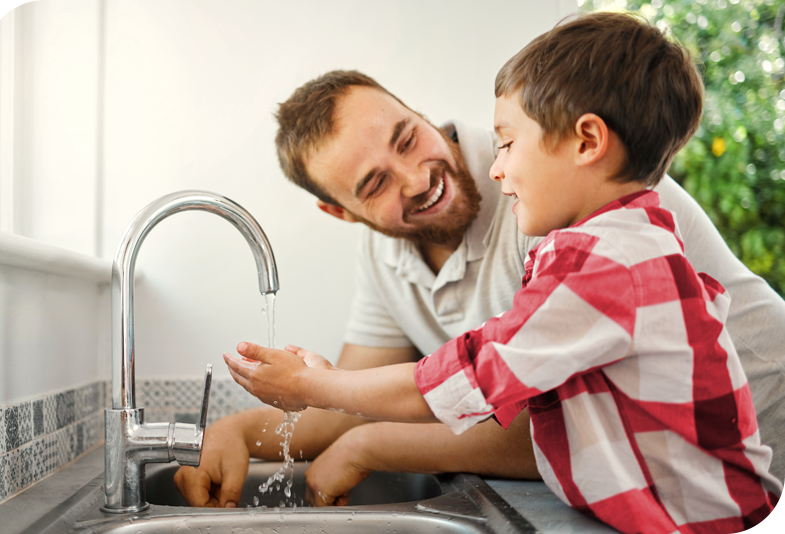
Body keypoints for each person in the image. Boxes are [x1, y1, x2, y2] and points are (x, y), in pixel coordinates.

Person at [174, 34, 785, 514]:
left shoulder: (580, 205)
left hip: (747, 476)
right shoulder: (401, 248)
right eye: (375, 184)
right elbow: (356, 398)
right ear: (341, 212)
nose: (417, 178)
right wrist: (242, 432)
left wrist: (371, 443)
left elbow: (545, 422)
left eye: (408, 138)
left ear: (418, 111)